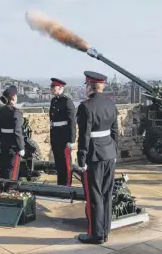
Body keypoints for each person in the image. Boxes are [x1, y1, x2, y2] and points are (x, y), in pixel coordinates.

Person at [75, 71, 118, 244]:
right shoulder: (111, 104)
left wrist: (81, 159)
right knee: (107, 194)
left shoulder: (86, 107)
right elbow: (115, 132)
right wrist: (114, 151)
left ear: (89, 86)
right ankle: (105, 230)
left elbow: (84, 137)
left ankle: (95, 234)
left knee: (94, 196)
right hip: (109, 153)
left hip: (93, 156)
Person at [49, 78, 76, 186]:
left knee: (66, 163)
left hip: (64, 136)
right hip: (55, 134)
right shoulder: (53, 100)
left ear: (60, 88)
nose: (51, 88)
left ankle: (67, 185)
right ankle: (60, 185)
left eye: (53, 87)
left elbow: (72, 121)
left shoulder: (67, 101)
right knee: (58, 163)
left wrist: (72, 139)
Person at [0, 86, 25, 180]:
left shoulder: (0, 111)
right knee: (12, 170)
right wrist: (21, 147)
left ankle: (2, 189)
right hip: (13, 146)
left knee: (3, 168)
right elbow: (17, 131)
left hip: (3, 144)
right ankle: (10, 190)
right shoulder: (15, 112)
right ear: (13, 97)